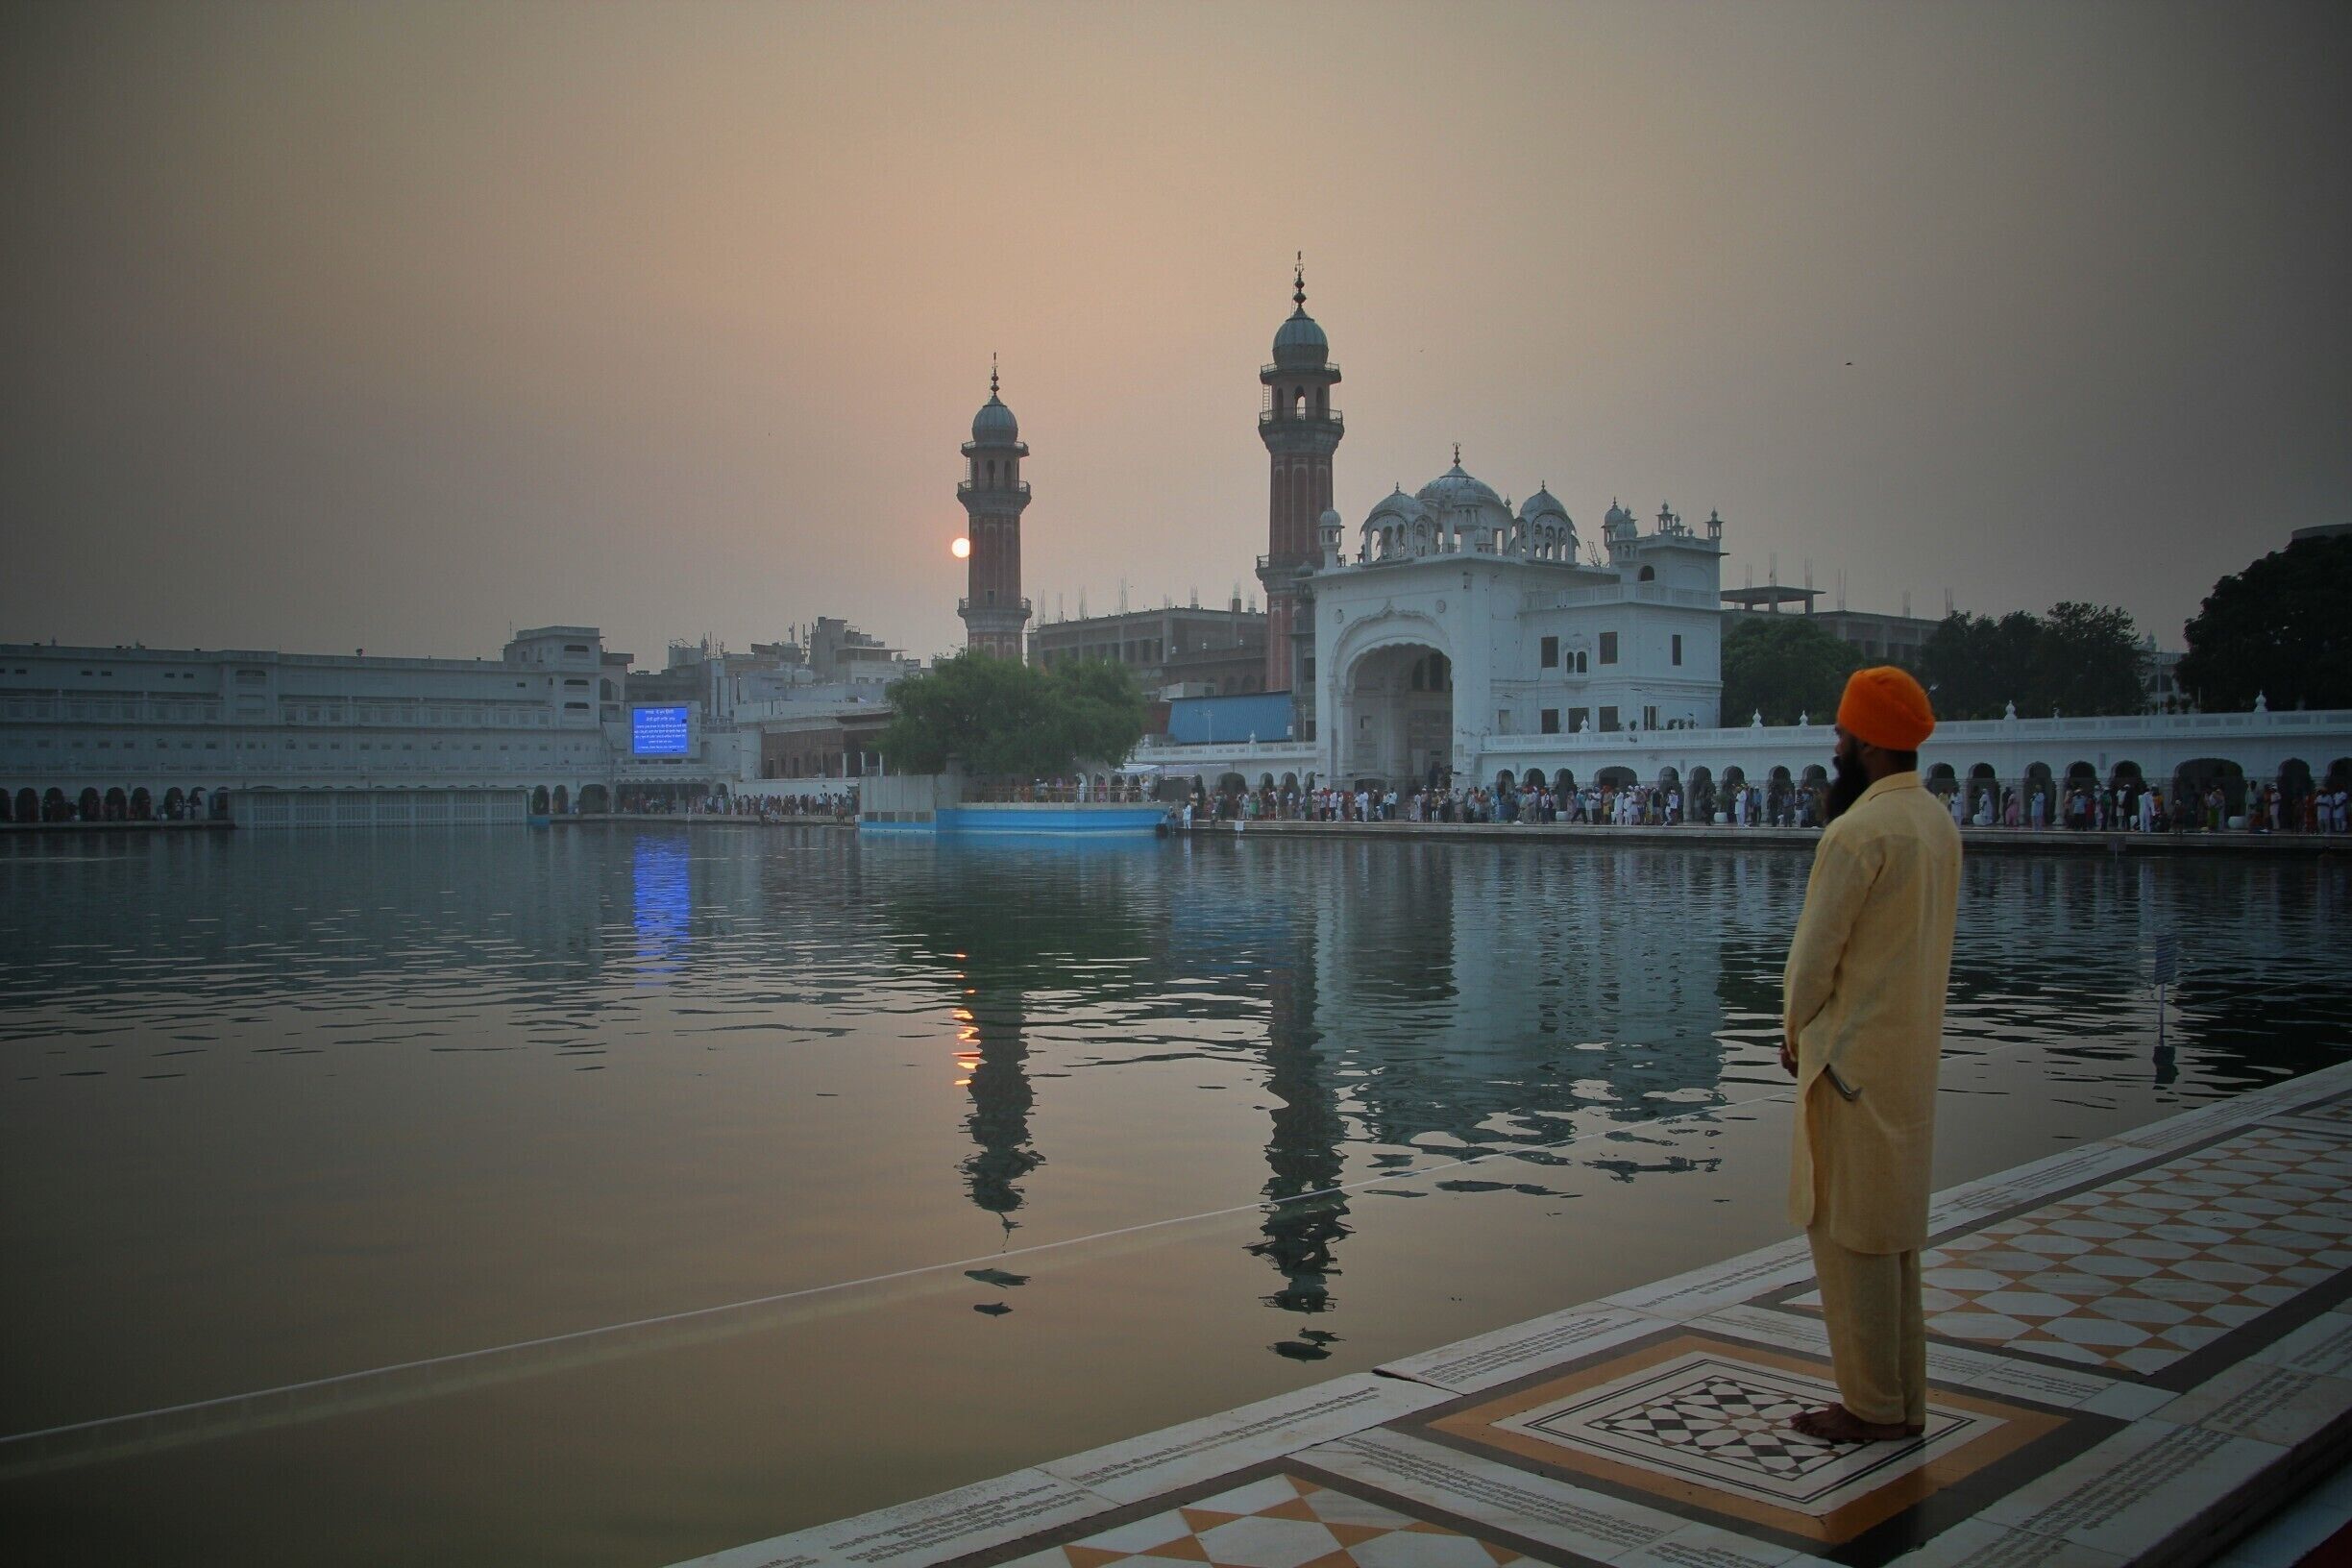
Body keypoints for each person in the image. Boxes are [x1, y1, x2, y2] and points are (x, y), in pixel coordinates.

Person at [1779, 666, 1960, 1445]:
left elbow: (1813, 959)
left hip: (1849, 1064)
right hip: (1908, 1060)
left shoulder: (1856, 833)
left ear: (1868, 744)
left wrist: (1794, 1032)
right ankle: (1903, 1399)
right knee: (1894, 1244)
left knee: (1851, 1242)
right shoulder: (1934, 821)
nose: (1836, 744)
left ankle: (1869, 1406)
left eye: (1843, 733)